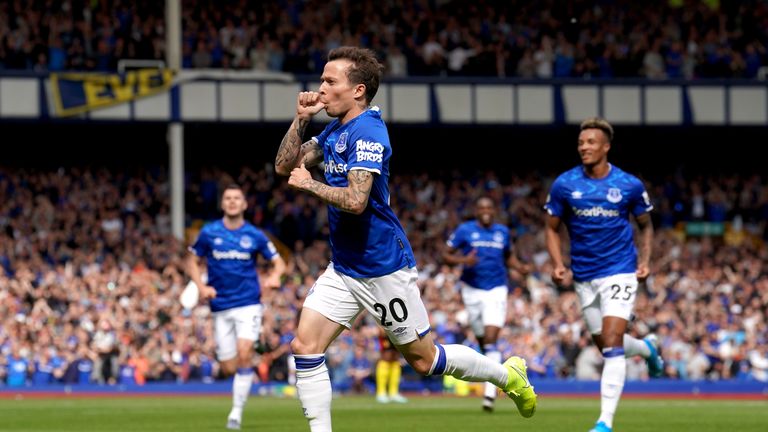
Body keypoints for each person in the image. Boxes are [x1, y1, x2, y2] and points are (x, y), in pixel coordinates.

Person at [274, 46, 536, 432]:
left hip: (383, 267)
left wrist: (311, 184)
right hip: (345, 267)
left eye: (330, 81)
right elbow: (283, 165)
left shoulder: (368, 132)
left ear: (358, 90)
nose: (321, 89)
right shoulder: (334, 129)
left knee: (424, 360)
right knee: (305, 347)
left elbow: (357, 201)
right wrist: (300, 120)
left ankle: (506, 376)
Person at [543, 117, 664, 432]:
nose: (584, 147)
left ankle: (604, 422)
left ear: (606, 146)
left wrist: (646, 261)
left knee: (611, 344)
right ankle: (647, 348)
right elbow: (552, 229)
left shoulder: (628, 184)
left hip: (620, 271)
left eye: (591, 142)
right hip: (584, 276)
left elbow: (646, 225)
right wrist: (557, 264)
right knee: (607, 344)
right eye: (581, 143)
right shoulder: (565, 184)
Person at [186, 184, 286, 430]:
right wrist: (201, 286)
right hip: (220, 305)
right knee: (229, 366)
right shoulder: (209, 232)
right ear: (223, 204)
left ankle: (236, 414)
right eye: (228, 198)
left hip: (248, 303)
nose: (232, 202)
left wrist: (275, 277)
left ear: (244, 204)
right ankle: (240, 376)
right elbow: (191, 260)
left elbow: (279, 263)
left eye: (236, 198)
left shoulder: (255, 235)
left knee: (244, 353)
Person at [442, 196, 532, 412]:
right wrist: (464, 261)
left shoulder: (502, 232)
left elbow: (508, 257)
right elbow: (446, 255)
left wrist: (519, 267)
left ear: (494, 210)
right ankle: (492, 376)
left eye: (489, 207)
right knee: (483, 341)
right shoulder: (465, 230)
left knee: (491, 338)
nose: (485, 210)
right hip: (471, 290)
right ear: (476, 210)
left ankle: (490, 394)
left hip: (497, 288)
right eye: (481, 207)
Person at [375, 328, 407, 403]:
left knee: (395, 374)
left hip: (395, 360)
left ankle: (393, 393)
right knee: (384, 370)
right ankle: (381, 393)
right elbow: (381, 331)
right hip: (384, 360)